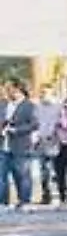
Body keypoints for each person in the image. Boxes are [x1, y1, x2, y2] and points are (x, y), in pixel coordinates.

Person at [0, 79, 36, 208]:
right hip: (4, 145)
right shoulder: (3, 104)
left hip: (21, 145)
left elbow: (34, 124)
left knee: (22, 175)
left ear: (17, 89)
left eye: (9, 88)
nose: (6, 91)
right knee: (1, 176)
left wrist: (16, 130)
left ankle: (24, 201)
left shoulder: (29, 105)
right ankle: (3, 202)